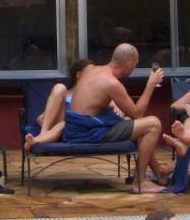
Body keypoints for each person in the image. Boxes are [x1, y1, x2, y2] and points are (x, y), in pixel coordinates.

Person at [62, 43, 168, 193]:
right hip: (86, 132)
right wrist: (150, 85)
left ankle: (159, 173)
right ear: (129, 64)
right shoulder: (111, 83)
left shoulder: (93, 70)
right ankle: (140, 182)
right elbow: (137, 113)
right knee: (153, 124)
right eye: (136, 64)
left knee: (137, 127)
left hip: (77, 127)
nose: (135, 68)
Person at [23, 58, 89, 149]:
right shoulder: (65, 94)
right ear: (78, 75)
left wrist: (115, 105)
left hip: (71, 128)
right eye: (91, 73)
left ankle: (36, 140)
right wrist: (42, 117)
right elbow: (45, 115)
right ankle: (43, 133)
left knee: (63, 124)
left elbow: (109, 99)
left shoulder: (93, 95)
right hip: (54, 125)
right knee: (60, 87)